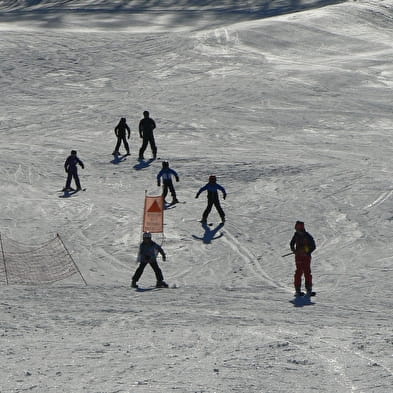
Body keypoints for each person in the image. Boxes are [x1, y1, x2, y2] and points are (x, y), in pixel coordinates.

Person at [290, 221, 316, 296]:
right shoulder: (296, 235)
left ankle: (308, 289)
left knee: (307, 272)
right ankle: (298, 290)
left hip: (306, 257)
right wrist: (294, 250)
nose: (296, 229)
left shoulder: (307, 236)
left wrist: (306, 252)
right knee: (299, 272)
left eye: (297, 227)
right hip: (299, 256)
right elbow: (292, 243)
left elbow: (313, 246)